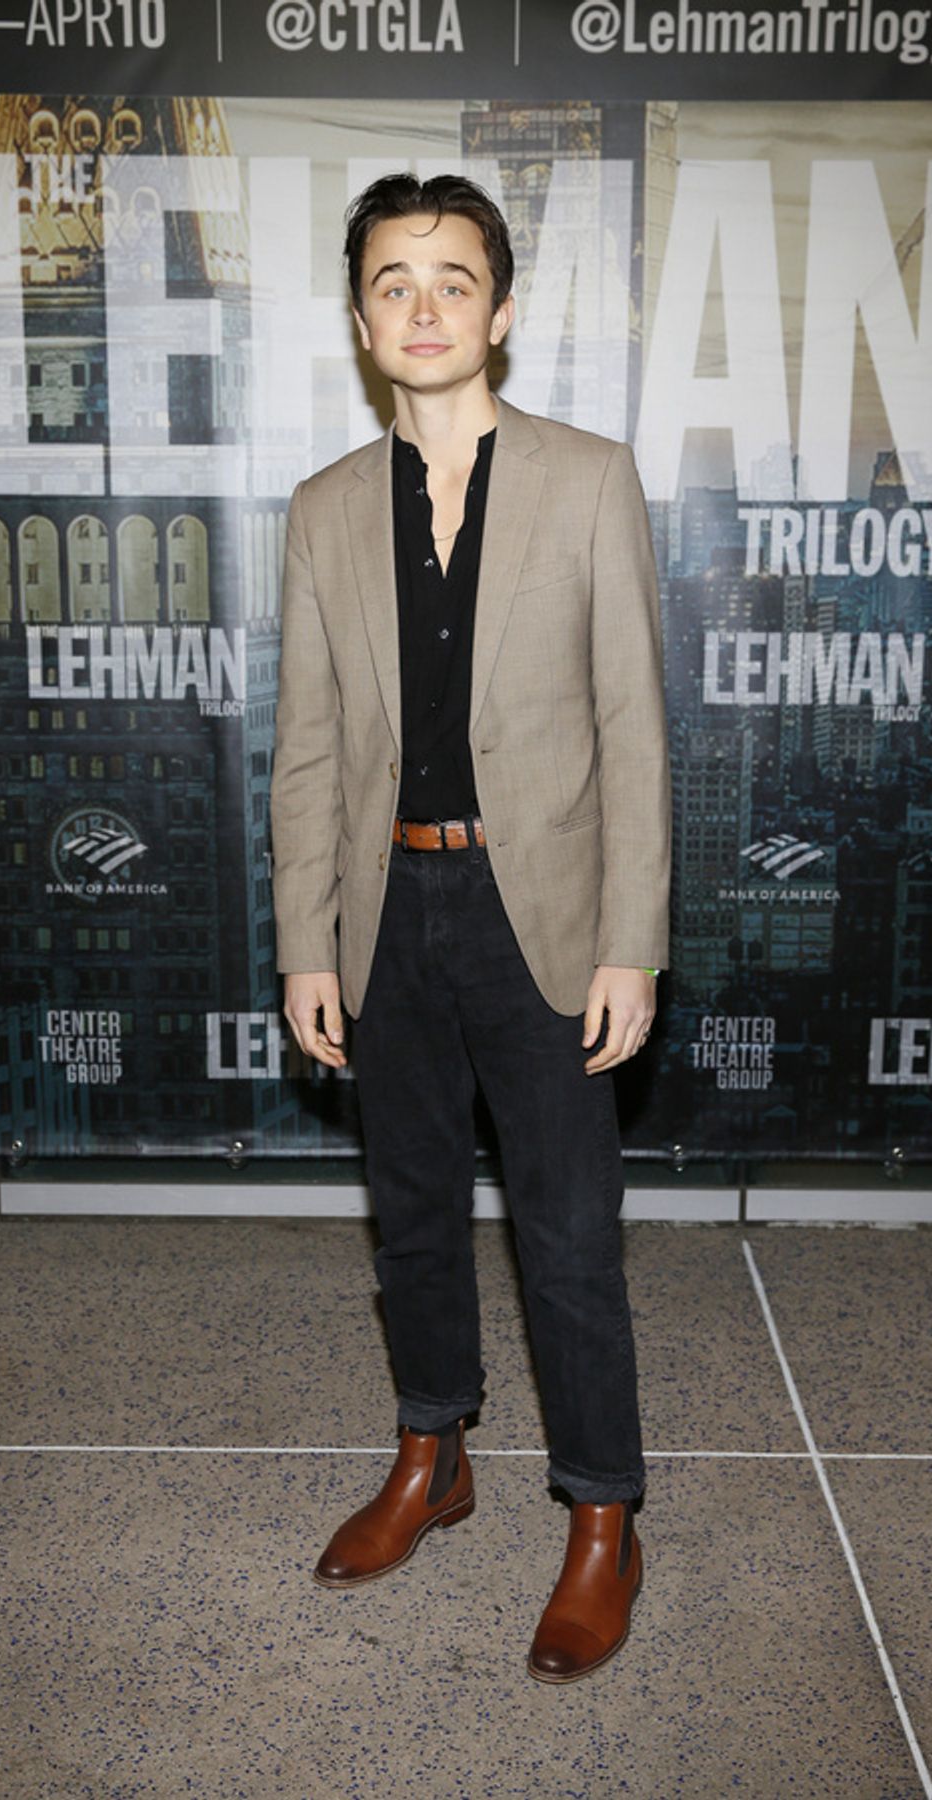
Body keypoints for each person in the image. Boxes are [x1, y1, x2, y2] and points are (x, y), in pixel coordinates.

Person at [270, 173, 670, 1683]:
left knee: (569, 1237)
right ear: (363, 320)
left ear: (501, 311)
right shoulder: (320, 511)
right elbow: (308, 746)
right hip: (386, 908)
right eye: (392, 282)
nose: (423, 306)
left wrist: (631, 939)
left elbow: (634, 728)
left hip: (543, 909)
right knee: (415, 1215)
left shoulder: (586, 479)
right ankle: (431, 1457)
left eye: (452, 279)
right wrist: (309, 941)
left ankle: (602, 1516)